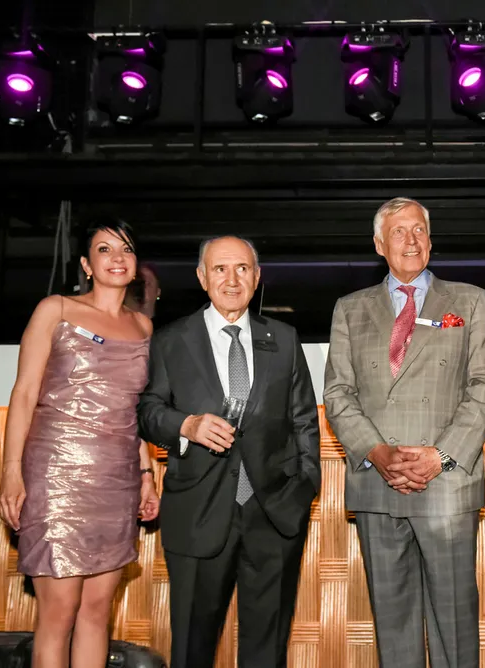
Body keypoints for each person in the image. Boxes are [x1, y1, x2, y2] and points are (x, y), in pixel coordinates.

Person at [323, 197, 485, 668]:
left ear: (431, 239)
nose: (411, 239)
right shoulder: (349, 308)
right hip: (376, 482)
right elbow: (338, 393)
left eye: (419, 229)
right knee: (393, 625)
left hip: (446, 482)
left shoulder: (470, 300)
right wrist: (377, 452)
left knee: (455, 624)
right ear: (379, 244)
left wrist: (439, 456)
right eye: (399, 231)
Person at [137, 236, 320, 668]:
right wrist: (187, 425)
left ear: (256, 277)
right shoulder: (170, 340)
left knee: (266, 652)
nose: (232, 279)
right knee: (192, 648)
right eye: (220, 269)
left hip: (274, 515)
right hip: (197, 513)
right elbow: (147, 411)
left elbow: (304, 420)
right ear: (202, 278)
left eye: (242, 268)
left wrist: (303, 488)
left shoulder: (284, 338)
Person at [0, 218, 159, 668]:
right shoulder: (56, 309)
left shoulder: (144, 327)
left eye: (126, 249)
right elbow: (24, 393)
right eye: (105, 249)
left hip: (117, 479)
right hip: (57, 476)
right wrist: (11, 471)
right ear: (87, 264)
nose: (117, 258)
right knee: (59, 612)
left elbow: (134, 410)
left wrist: (146, 474)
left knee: (96, 612)